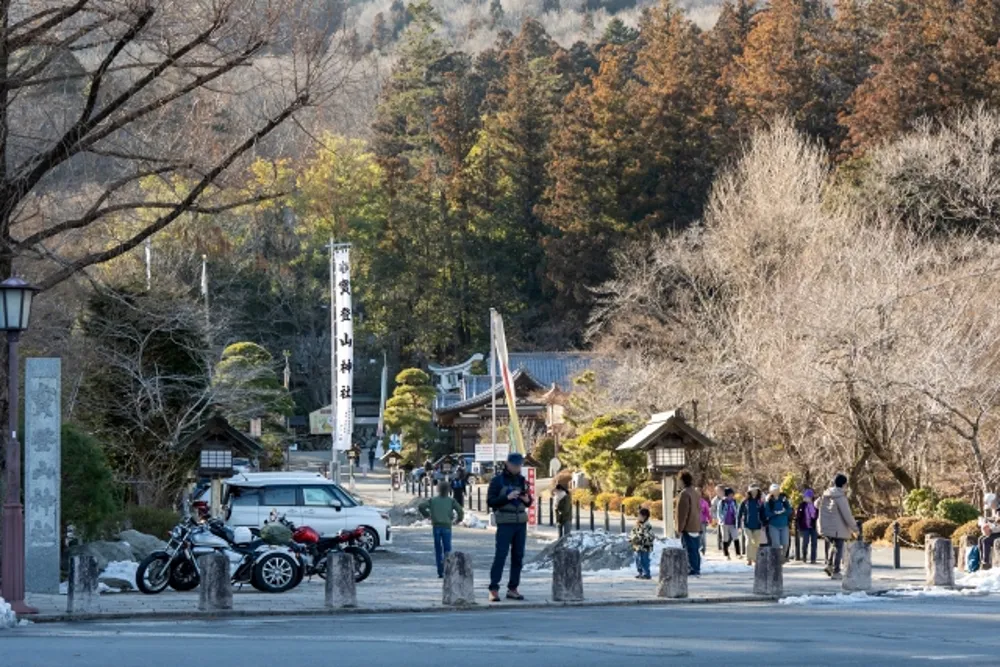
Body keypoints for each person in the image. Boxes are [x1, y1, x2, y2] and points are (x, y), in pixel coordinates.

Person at [486, 452, 533, 602]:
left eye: (519, 465)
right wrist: (506, 497)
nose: (516, 468)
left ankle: (513, 588)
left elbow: (529, 502)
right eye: (514, 465)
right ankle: (494, 588)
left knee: (518, 556)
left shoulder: (522, 481)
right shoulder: (497, 481)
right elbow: (490, 501)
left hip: (520, 521)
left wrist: (527, 499)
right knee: (501, 555)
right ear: (507, 464)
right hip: (505, 521)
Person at [418, 481, 464, 578]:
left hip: (436, 526)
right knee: (447, 549)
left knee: (438, 549)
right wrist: (459, 519)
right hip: (447, 526)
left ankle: (440, 571)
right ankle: (448, 570)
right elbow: (460, 510)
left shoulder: (433, 500)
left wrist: (427, 515)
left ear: (438, 489)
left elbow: (421, 506)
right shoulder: (451, 501)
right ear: (448, 490)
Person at [818, 473, 857, 580]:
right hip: (837, 527)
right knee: (839, 547)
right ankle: (836, 571)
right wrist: (855, 528)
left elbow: (816, 504)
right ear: (844, 484)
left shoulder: (825, 494)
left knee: (834, 546)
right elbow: (847, 514)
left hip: (826, 526)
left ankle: (829, 565)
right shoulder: (840, 497)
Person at [676, 471, 702, 576]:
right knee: (695, 549)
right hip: (696, 524)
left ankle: (692, 568)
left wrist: (679, 528)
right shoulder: (695, 492)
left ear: (682, 480)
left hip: (688, 526)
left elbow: (682, 513)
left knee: (689, 549)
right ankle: (696, 567)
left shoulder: (684, 493)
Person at [738, 484, 766, 566]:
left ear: (758, 492)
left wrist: (764, 524)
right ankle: (748, 559)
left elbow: (763, 514)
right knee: (748, 541)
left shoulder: (760, 502)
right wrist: (738, 525)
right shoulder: (745, 502)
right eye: (752, 491)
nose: (754, 492)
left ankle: (755, 558)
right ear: (749, 492)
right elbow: (739, 514)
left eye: (756, 490)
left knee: (756, 543)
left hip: (757, 525)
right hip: (747, 525)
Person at [764, 483, 792, 557]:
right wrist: (775, 513)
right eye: (774, 490)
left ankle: (782, 557)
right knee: (776, 544)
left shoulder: (783, 499)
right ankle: (776, 559)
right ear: (771, 491)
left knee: (785, 543)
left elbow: (789, 510)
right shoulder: (769, 501)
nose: (776, 492)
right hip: (773, 525)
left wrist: (783, 512)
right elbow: (767, 513)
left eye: (777, 490)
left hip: (784, 524)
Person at [795, 489, 819, 564]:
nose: (805, 498)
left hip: (813, 527)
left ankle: (813, 559)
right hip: (804, 526)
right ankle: (804, 556)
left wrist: (812, 507)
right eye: (805, 497)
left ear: (811, 497)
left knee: (814, 543)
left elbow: (814, 516)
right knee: (805, 542)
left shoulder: (814, 505)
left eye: (807, 497)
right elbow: (798, 516)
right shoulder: (801, 505)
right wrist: (799, 526)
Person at [630, 507, 655, 579]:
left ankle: (646, 573)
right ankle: (640, 572)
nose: (638, 517)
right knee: (638, 560)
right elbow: (633, 532)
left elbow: (650, 536)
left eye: (639, 515)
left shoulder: (647, 526)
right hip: (637, 546)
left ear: (644, 516)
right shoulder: (637, 525)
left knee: (644, 560)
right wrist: (632, 538)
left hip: (645, 546)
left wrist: (641, 539)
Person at [978, 493, 1000, 569]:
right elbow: (995, 520)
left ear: (993, 502)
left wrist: (990, 528)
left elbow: (998, 524)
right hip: (997, 531)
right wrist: (986, 520)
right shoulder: (995, 509)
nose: (990, 507)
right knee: (980, 539)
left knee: (985, 540)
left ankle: (986, 563)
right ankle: (981, 561)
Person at [719, 488, 742, 560]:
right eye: (729, 495)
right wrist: (721, 520)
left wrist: (738, 520)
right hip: (724, 523)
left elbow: (737, 511)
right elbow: (719, 512)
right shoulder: (722, 502)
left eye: (732, 495)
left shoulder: (734, 502)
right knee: (725, 538)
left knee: (736, 537)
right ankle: (726, 554)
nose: (731, 496)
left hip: (733, 522)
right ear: (726, 495)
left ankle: (738, 553)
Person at [711, 485, 725, 550]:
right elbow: (712, 510)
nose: (717, 492)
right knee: (719, 533)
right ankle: (720, 546)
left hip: (728, 519)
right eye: (716, 491)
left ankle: (725, 543)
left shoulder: (727, 497)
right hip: (719, 519)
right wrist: (715, 518)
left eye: (719, 490)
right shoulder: (714, 500)